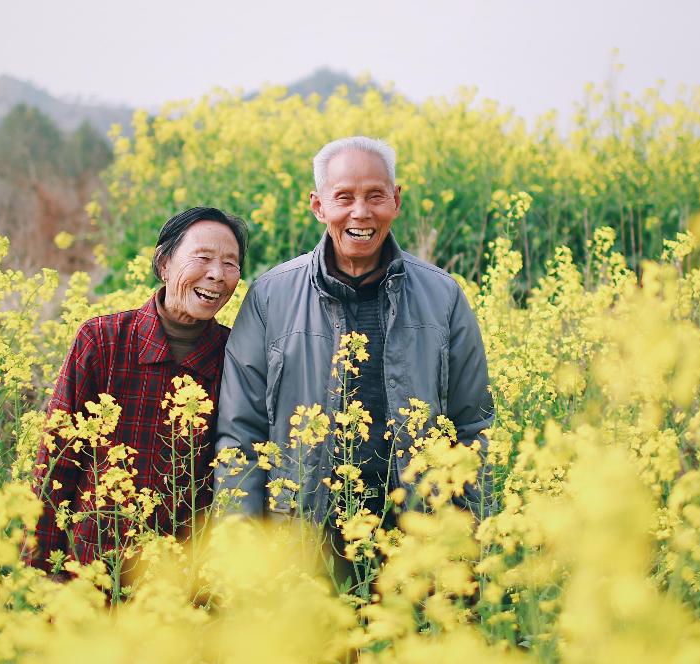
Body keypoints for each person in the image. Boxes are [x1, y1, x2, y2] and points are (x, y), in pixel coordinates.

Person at [214, 136, 494, 528]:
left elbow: (473, 427)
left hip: (418, 538)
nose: (360, 213)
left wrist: (468, 541)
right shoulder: (270, 296)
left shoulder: (442, 295)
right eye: (344, 197)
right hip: (303, 540)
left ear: (396, 200)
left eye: (375, 196)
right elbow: (241, 434)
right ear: (318, 206)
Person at [26, 206, 247, 573]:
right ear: (164, 263)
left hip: (179, 585)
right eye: (203, 258)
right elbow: (55, 462)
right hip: (91, 569)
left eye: (230, 264)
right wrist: (37, 573)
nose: (216, 275)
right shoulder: (102, 341)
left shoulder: (237, 355)